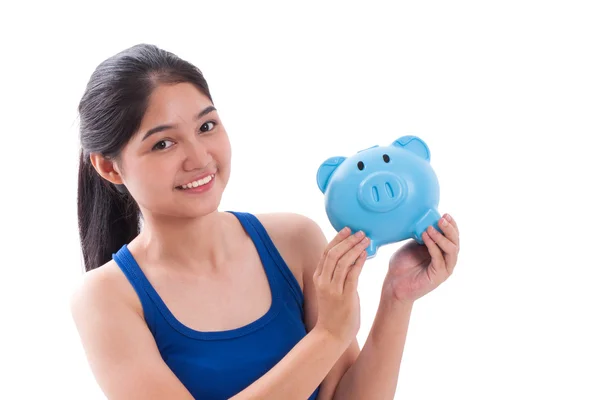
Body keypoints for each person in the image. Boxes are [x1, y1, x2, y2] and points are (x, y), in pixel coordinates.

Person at [70, 44, 460, 400]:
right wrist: (328, 335)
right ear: (109, 167)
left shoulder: (295, 241)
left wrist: (397, 297)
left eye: (207, 127)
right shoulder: (106, 298)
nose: (199, 157)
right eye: (163, 143)